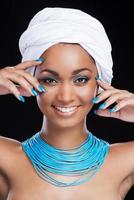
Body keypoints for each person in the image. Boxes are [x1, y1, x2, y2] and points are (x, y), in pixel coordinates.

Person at [0, 7, 134, 200]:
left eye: (80, 79)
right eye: (50, 80)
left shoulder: (124, 161)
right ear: (29, 80)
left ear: (99, 85)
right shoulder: (6, 159)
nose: (65, 96)